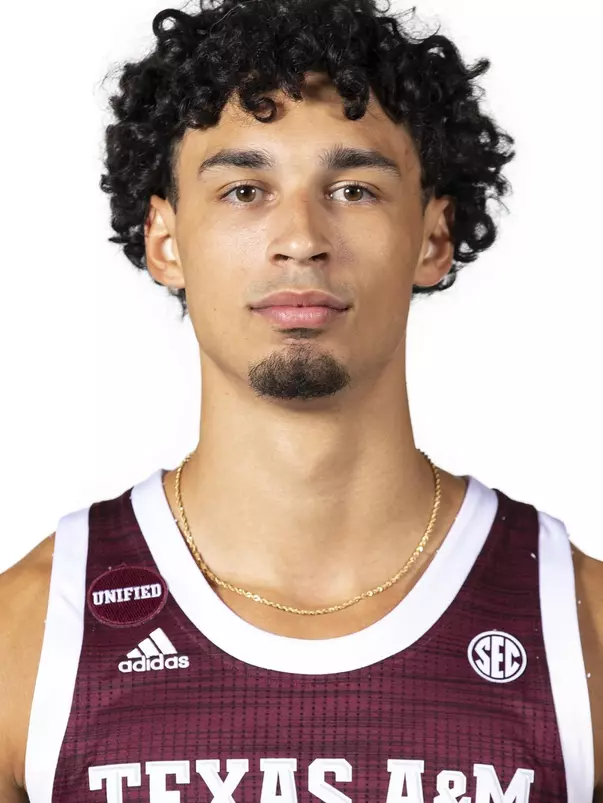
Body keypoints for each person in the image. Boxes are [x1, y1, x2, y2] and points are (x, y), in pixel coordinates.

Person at [1, 0, 601, 800]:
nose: (300, 237)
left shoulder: (578, 626)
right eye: (244, 190)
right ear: (164, 240)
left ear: (432, 237)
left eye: (352, 188)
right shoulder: (31, 635)